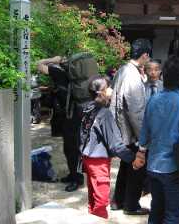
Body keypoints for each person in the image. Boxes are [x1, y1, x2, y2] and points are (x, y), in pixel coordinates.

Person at [132, 56, 179, 224]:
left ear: (163, 77)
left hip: (154, 165)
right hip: (175, 167)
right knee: (173, 215)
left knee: (156, 211)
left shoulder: (153, 99)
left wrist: (141, 153)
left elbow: (144, 133)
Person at [80, 76, 134, 219]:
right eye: (108, 87)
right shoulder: (104, 114)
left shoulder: (88, 108)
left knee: (93, 194)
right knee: (101, 199)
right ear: (101, 92)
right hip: (98, 160)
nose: (111, 89)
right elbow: (115, 144)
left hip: (87, 157)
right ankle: (99, 218)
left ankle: (92, 216)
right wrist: (133, 158)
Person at [110, 38, 152, 215]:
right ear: (144, 55)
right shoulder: (132, 75)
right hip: (131, 131)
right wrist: (144, 138)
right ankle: (131, 205)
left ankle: (118, 200)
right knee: (137, 167)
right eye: (148, 57)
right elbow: (136, 111)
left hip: (121, 129)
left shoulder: (122, 70)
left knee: (126, 165)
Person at [37, 56, 84, 192]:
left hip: (68, 115)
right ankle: (75, 175)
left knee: (71, 149)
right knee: (73, 147)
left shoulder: (58, 71)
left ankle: (75, 179)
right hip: (75, 113)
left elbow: (39, 64)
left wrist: (52, 59)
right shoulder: (73, 75)